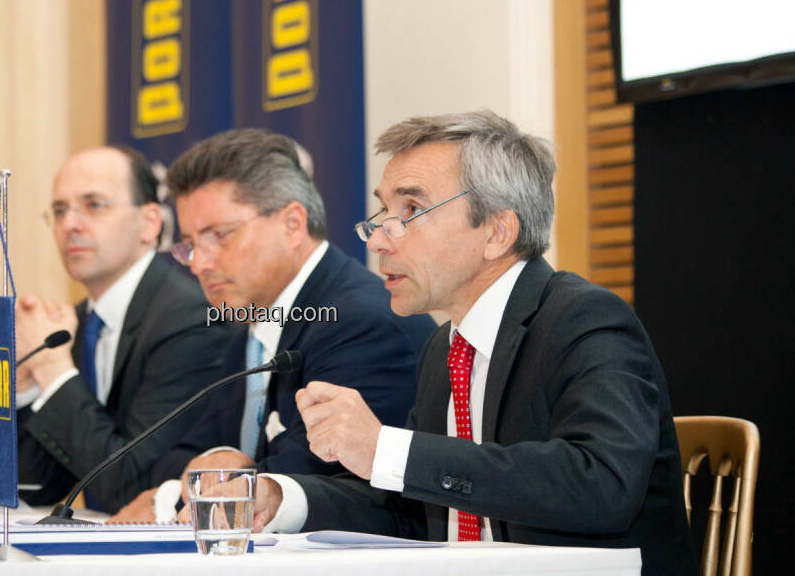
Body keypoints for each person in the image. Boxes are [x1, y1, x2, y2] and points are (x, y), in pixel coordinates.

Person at [223, 111, 697, 574]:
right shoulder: (444, 349)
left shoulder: (584, 321)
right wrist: (281, 497)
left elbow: (603, 484)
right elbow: (411, 512)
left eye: (410, 210)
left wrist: (388, 450)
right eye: (382, 212)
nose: (378, 240)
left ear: (496, 231)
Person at [110, 128, 435, 522]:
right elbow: (178, 455)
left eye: (220, 235)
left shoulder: (362, 324)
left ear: (293, 224)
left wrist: (166, 500)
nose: (199, 264)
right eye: (191, 244)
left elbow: (303, 477)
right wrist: (217, 458)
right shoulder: (251, 333)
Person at [15, 146, 236, 513]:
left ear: (150, 223)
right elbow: (33, 489)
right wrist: (25, 385)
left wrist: (53, 371)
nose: (70, 224)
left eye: (94, 205)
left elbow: (134, 488)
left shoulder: (189, 320)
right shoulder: (75, 324)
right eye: (59, 210)